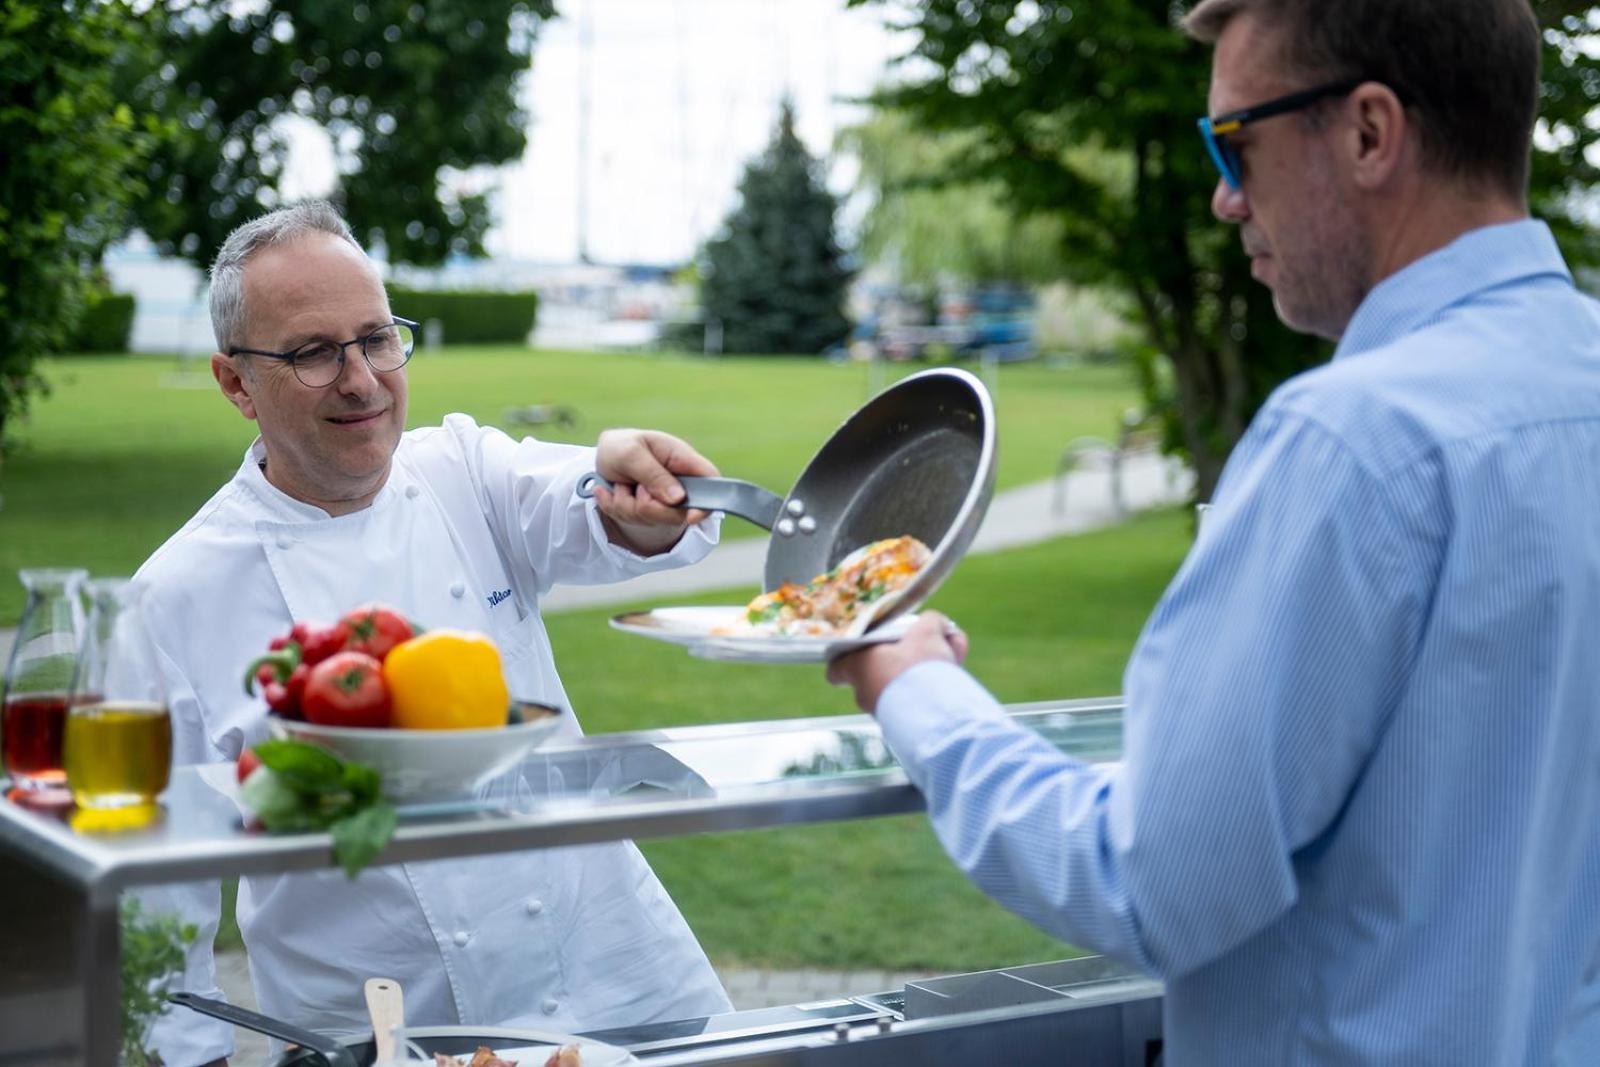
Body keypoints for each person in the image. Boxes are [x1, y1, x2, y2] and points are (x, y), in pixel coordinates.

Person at [829, 0, 1600, 1061]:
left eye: (1233, 140)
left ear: (1369, 132)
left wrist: (910, 684)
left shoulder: (1354, 439)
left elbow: (1146, 878)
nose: (1224, 198)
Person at [134, 201, 732, 1065]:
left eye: (377, 338)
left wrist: (637, 501)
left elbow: (583, 504)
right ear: (235, 382)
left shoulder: (463, 470)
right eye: (312, 352)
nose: (363, 379)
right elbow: (156, 891)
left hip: (616, 978)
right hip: (384, 1027)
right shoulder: (179, 592)